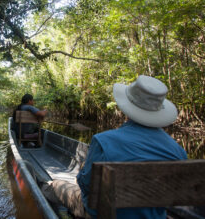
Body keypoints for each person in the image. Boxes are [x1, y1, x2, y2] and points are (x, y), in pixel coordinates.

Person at [41, 75, 187, 219]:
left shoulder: (102, 141)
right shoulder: (178, 151)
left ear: (126, 107)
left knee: (55, 185)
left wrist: (83, 169)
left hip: (103, 215)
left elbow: (86, 186)